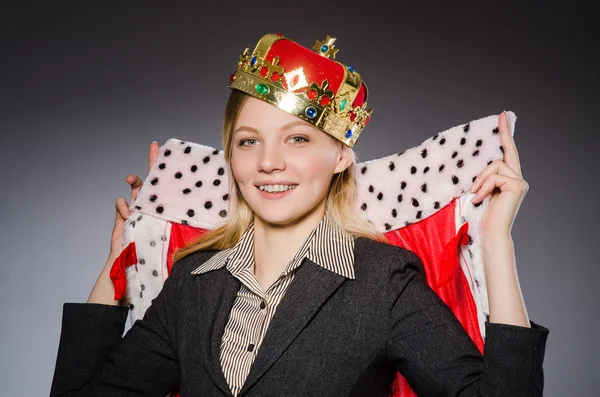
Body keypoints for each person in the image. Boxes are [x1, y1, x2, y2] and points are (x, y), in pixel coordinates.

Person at [50, 33, 549, 396]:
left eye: (298, 139)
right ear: (233, 157)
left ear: (340, 158)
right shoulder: (192, 284)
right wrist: (116, 265)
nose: (269, 161)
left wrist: (495, 241)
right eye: (249, 141)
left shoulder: (383, 283)